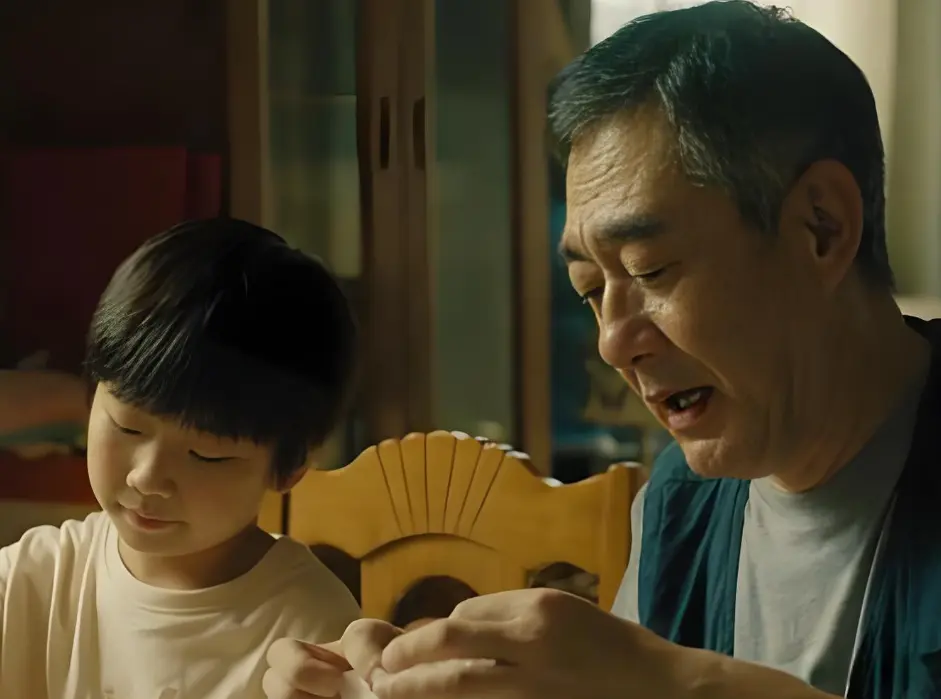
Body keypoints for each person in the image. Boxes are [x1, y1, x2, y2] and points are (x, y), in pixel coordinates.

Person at [262, 2, 941, 698]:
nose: (613, 342)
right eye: (590, 288)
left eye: (651, 269)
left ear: (821, 227)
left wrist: (680, 683)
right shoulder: (679, 505)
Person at [0, 219, 361, 698]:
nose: (147, 477)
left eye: (206, 455)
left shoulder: (310, 636)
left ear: (290, 467)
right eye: (128, 428)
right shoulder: (38, 578)